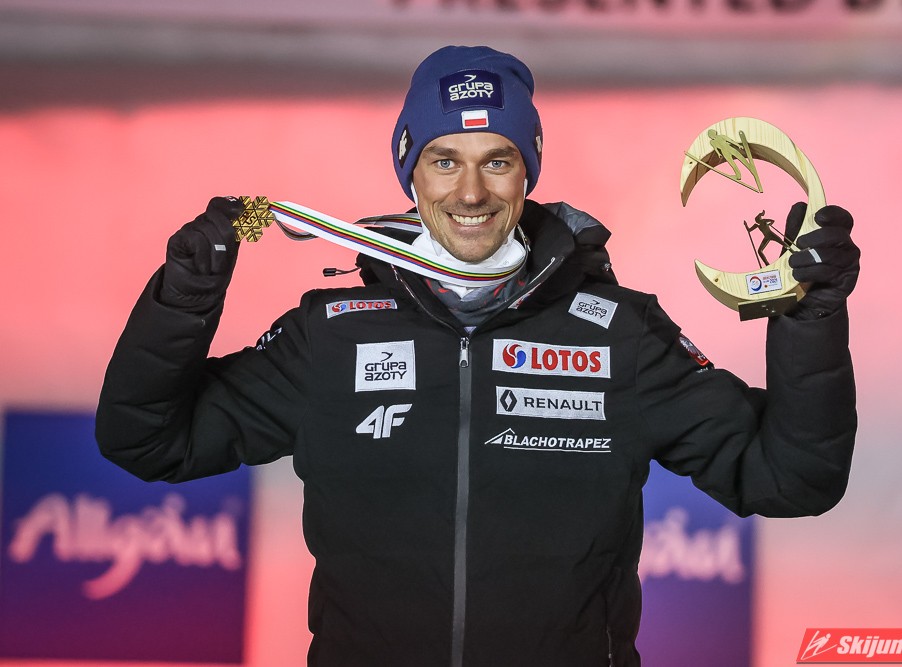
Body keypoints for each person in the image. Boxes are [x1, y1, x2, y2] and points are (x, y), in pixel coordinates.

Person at [96, 45, 860, 667]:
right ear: (410, 170)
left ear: (528, 172)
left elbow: (791, 476)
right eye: (443, 160)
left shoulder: (616, 335)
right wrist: (182, 300)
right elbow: (148, 438)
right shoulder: (331, 335)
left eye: (497, 160)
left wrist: (810, 316)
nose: (470, 192)